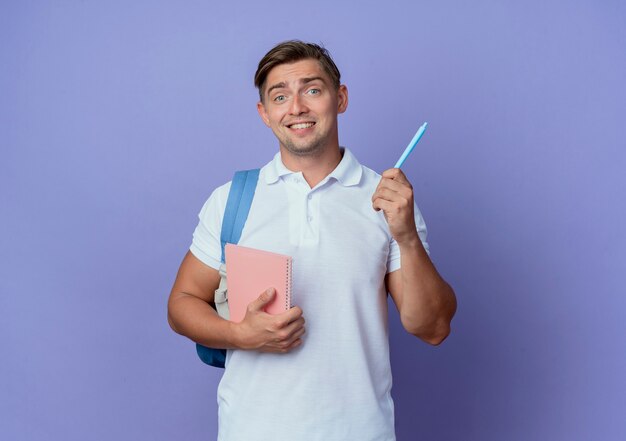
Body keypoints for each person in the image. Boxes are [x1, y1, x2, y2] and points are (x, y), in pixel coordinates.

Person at [167, 40, 457, 441]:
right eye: (280, 96)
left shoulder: (386, 200)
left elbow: (433, 327)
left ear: (340, 98)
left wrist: (407, 237)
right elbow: (180, 305)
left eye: (313, 90)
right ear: (264, 114)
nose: (297, 107)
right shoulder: (231, 200)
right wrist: (241, 335)